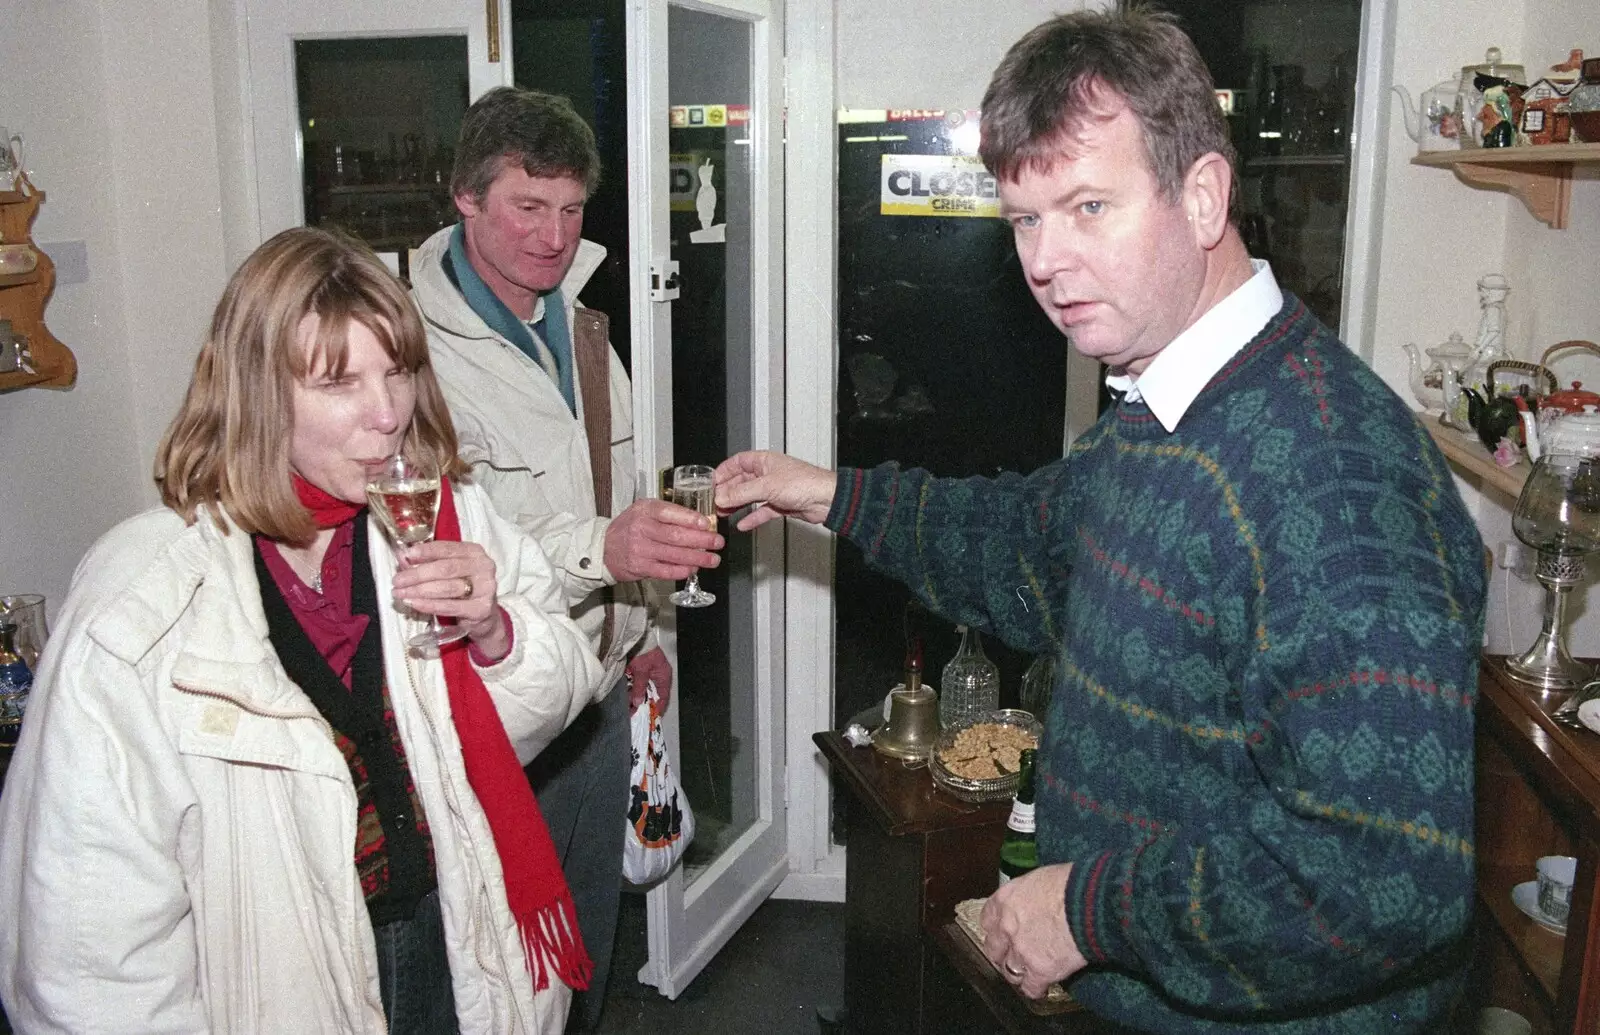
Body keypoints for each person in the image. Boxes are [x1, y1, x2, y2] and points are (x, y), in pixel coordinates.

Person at [715, 8, 1486, 1033]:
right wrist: (828, 494)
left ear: (1202, 195)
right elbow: (1033, 547)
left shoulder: (1332, 483)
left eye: (1087, 207)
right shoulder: (1171, 407)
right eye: (1026, 219)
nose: (1044, 261)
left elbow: (1385, 880)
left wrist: (1088, 911)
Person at [0, 227, 607, 1034]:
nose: (388, 414)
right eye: (339, 382)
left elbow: (559, 690)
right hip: (283, 984)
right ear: (257, 394)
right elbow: (90, 951)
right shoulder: (142, 601)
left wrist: (496, 632)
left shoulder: (436, 513)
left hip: (458, 941)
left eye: (396, 371)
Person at [410, 86, 722, 1031]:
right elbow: (455, 546)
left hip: (597, 684)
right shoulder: (408, 351)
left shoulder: (579, 317)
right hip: (494, 709)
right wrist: (608, 548)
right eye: (527, 206)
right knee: (499, 967)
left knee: (582, 943)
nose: (554, 235)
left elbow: (614, 488)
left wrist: (645, 638)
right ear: (465, 197)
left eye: (572, 208)